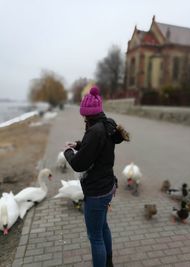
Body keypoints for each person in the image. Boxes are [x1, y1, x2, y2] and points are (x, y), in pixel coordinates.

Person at [64, 86, 129, 267]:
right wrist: (77, 144)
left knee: (95, 237)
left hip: (96, 191)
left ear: (88, 114)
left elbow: (79, 164)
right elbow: (95, 150)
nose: (83, 118)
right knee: (103, 227)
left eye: (84, 115)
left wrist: (68, 152)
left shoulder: (94, 131)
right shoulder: (107, 124)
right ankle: (109, 262)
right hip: (108, 186)